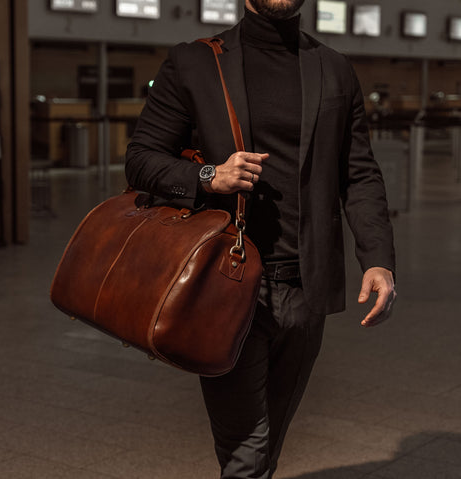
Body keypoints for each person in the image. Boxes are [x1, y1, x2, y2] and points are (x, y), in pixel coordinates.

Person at [125, 0, 396, 477]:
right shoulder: (195, 62)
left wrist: (377, 258)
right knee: (247, 451)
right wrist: (210, 175)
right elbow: (141, 159)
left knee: (267, 445)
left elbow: (359, 175)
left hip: (306, 289)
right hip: (227, 285)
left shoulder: (333, 68)